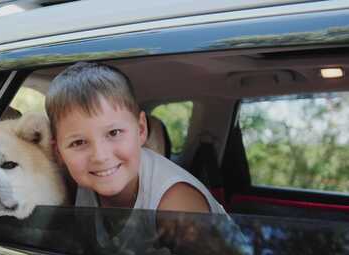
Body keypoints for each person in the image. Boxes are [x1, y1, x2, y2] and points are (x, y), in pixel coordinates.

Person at [45, 61, 226, 215]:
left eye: (114, 133)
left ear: (140, 130)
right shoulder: (73, 183)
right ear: (58, 152)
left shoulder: (176, 206)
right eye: (78, 142)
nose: (100, 156)